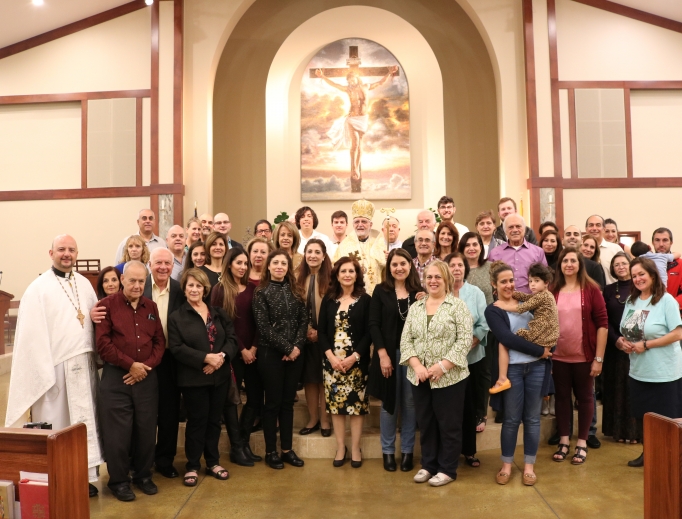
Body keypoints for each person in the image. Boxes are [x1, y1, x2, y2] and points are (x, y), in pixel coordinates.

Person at [5, 235, 104, 499]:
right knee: (59, 426)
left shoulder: (84, 284)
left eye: (71, 250)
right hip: (54, 370)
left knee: (85, 424)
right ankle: (58, 478)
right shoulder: (37, 289)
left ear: (77, 253)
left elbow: (92, 320)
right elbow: (30, 337)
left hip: (84, 366)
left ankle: (84, 476)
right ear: (51, 253)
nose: (67, 254)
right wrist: (43, 370)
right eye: (61, 249)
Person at [96, 261, 165, 501]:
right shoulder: (106, 306)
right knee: (118, 435)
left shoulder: (151, 307)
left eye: (141, 281)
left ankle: (143, 475)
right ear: (122, 279)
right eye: (132, 280)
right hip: (117, 379)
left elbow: (159, 342)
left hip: (146, 378)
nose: (137, 286)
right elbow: (103, 344)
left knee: (146, 431)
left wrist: (145, 367)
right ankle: (119, 481)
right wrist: (130, 365)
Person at [400, 261, 472, 487]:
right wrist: (417, 366)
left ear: (447, 280)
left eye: (438, 277)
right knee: (427, 422)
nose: (433, 281)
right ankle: (428, 465)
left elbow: (464, 340)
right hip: (420, 377)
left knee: (448, 424)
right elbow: (406, 340)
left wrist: (442, 366)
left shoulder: (457, 306)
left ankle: (447, 468)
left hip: (450, 377)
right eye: (429, 277)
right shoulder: (416, 307)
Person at [484, 261, 553, 487]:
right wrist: (540, 351)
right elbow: (507, 339)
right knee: (512, 420)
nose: (509, 285)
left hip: (536, 368)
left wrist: (545, 351)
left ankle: (529, 466)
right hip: (513, 369)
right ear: (494, 285)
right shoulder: (493, 309)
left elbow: (548, 323)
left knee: (533, 419)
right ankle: (506, 464)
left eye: (511, 280)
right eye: (503, 281)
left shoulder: (530, 300)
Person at [169, 268, 238, 486]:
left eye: (198, 285)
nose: (194, 289)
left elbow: (232, 339)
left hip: (219, 377)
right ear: (185, 288)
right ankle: (192, 465)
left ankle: (213, 462)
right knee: (197, 422)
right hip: (193, 379)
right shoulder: (177, 317)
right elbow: (177, 348)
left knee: (214, 421)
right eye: (190, 285)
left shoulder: (218, 313)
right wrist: (205, 358)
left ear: (205, 288)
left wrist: (220, 358)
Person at [619, 257, 682, 467]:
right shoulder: (631, 301)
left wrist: (647, 345)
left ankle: (668, 460)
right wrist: (622, 342)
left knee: (666, 420)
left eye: (641, 274)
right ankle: (649, 454)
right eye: (634, 275)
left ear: (653, 275)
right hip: (639, 370)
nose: (637, 279)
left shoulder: (666, 301)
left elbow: (678, 334)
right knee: (644, 417)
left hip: (664, 372)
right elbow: (627, 331)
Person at [549, 248, 607, 466]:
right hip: (558, 357)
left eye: (573, 260)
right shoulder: (553, 289)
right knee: (562, 398)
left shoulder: (591, 289)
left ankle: (581, 442)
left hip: (585, 357)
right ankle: (564, 440)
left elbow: (602, 324)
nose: (569, 264)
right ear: (560, 265)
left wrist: (598, 358)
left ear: (580, 264)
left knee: (584, 398)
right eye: (565, 260)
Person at [252, 249, 309, 469]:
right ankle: (270, 452)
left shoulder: (296, 291)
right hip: (270, 355)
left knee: (287, 404)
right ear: (268, 266)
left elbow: (304, 320)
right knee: (272, 404)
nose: (279, 267)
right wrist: (286, 347)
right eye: (275, 263)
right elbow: (263, 327)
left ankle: (287, 450)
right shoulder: (261, 292)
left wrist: (296, 347)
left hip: (294, 355)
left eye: (283, 264)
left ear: (288, 267)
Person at [368, 248, 421, 472]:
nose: (399, 268)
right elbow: (373, 324)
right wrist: (382, 355)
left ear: (410, 265)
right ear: (389, 268)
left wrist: (426, 302)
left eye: (403, 263)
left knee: (410, 404)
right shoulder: (381, 291)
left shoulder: (419, 292)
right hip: (388, 355)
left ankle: (407, 451)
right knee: (389, 404)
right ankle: (388, 452)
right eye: (394, 264)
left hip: (413, 357)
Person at [210, 248, 264, 465]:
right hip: (233, 353)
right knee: (232, 401)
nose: (242, 267)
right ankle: (236, 447)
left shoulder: (254, 289)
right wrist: (242, 349)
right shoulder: (220, 290)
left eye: (245, 263)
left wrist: (254, 348)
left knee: (254, 398)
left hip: (254, 352)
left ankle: (244, 442)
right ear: (229, 264)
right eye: (238, 263)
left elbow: (261, 320)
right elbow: (221, 324)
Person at [319, 256, 372, 468]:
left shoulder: (366, 299)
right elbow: (321, 331)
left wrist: (354, 357)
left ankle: (356, 447)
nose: (347, 275)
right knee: (336, 406)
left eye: (351, 271)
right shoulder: (329, 299)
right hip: (332, 363)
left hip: (356, 363)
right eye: (343, 271)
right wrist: (331, 357)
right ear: (337, 275)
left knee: (356, 407)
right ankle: (341, 446)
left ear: (357, 275)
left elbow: (369, 332)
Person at [314, 66, 398, 192]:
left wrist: (389, 73)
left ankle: (357, 166)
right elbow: (335, 84)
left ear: (356, 78)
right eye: (349, 81)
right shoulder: (348, 89)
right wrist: (323, 76)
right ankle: (354, 168)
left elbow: (380, 82)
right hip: (352, 118)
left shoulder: (366, 86)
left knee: (360, 146)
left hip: (363, 119)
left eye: (352, 80)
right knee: (355, 144)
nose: (351, 83)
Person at [141, 248, 187, 478]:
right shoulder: (140, 287)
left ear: (173, 266)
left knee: (169, 413)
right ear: (150, 264)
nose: (163, 267)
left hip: (170, 359)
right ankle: (142, 460)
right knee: (145, 413)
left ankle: (165, 460)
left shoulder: (179, 290)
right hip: (144, 360)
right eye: (158, 262)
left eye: (167, 263)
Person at [447, 252, 489, 468]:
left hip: (471, 358)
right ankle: (449, 453)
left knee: (468, 407)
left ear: (465, 268)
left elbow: (483, 324)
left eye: (460, 265)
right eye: (452, 265)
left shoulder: (475, 293)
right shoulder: (440, 292)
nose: (456, 268)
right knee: (450, 409)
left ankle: (469, 452)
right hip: (445, 363)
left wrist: (469, 343)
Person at [490, 263, 559, 393]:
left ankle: (502, 378)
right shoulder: (540, 295)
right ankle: (503, 378)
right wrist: (514, 294)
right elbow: (527, 298)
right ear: (494, 284)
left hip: (542, 335)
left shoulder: (543, 296)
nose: (532, 284)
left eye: (536, 281)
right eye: (530, 281)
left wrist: (505, 306)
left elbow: (522, 308)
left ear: (546, 283)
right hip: (518, 365)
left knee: (513, 337)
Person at [602, 252, 642, 444]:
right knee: (617, 389)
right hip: (615, 347)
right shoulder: (608, 290)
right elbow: (604, 319)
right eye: (616, 264)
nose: (620, 267)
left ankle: (636, 433)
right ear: (613, 268)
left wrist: (634, 340)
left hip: (638, 347)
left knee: (634, 389)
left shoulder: (641, 286)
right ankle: (618, 431)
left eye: (624, 263)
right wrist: (616, 339)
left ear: (631, 265)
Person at [295, 239, 333, 437]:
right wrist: (307, 331)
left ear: (324, 255)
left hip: (326, 337)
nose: (313, 255)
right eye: (309, 251)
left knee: (323, 380)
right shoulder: (297, 278)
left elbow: (334, 310)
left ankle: (326, 420)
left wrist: (320, 333)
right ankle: (313, 419)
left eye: (317, 252)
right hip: (304, 337)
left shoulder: (332, 279)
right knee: (310, 380)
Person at [333, 199, 386, 294]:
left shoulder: (380, 242)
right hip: (352, 294)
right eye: (357, 221)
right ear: (353, 225)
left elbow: (385, 268)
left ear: (370, 225)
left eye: (364, 221)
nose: (360, 225)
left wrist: (388, 259)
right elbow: (336, 269)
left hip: (377, 294)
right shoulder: (344, 246)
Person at [488, 214, 547, 294]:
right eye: (511, 227)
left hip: (531, 302)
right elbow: (490, 281)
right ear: (505, 230)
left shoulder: (538, 252)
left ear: (524, 229)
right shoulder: (494, 253)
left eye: (518, 226)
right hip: (504, 303)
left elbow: (545, 279)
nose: (515, 230)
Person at [564, 225, 606, 290]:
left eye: (592, 247)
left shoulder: (596, 267)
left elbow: (599, 292)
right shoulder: (558, 263)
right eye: (585, 245)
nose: (588, 249)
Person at [585, 215, 622, 284]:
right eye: (591, 225)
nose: (594, 228)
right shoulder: (580, 250)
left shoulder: (615, 249)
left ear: (604, 229)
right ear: (586, 229)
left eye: (598, 225)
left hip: (612, 293)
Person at [459, 232, 493, 305]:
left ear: (480, 248)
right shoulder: (456, 269)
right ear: (462, 249)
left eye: (475, 244)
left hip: (487, 314)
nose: (471, 248)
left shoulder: (491, 267)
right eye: (467, 245)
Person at [652, 227, 682, 307]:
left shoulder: (680, 264)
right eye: (657, 240)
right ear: (653, 242)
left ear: (671, 242)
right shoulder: (646, 264)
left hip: (674, 310)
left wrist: (670, 304)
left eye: (665, 240)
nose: (661, 244)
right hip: (650, 310)